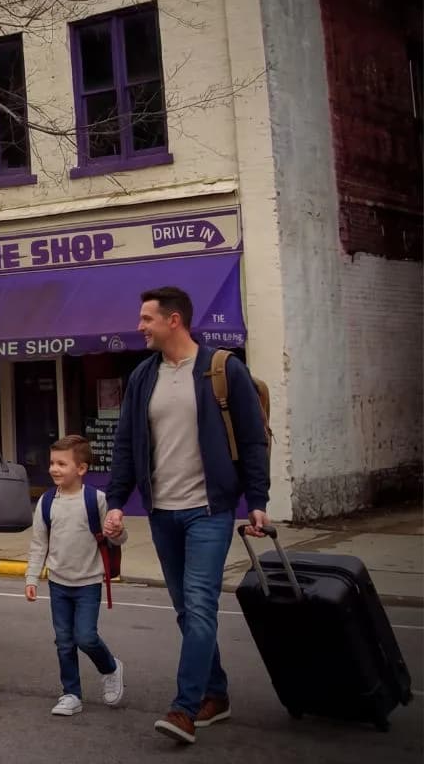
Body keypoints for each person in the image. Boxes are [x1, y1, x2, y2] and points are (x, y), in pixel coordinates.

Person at [104, 287, 270, 745]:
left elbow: (253, 440)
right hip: (162, 512)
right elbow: (125, 443)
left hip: (209, 510)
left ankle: (184, 710)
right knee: (185, 611)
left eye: (146, 319)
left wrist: (257, 498)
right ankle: (216, 694)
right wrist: (116, 499)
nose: (140, 326)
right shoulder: (142, 377)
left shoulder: (222, 370)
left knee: (199, 605)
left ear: (173, 320)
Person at [25, 435, 126, 717]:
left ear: (81, 469)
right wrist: (32, 578)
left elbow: (117, 538)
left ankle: (110, 667)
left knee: (86, 637)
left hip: (88, 583)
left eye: (61, 463)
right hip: (58, 583)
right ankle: (71, 693)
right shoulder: (46, 503)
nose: (54, 469)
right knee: (64, 641)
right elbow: (39, 544)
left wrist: (117, 532)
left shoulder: (97, 500)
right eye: (51, 463)